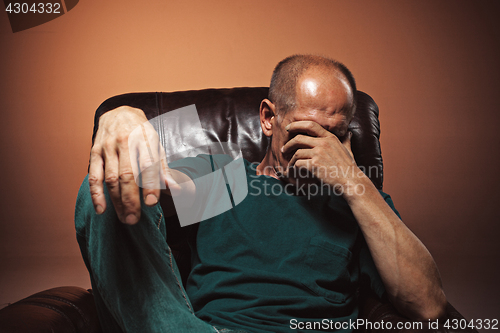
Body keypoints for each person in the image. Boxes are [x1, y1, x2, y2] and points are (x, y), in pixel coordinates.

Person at [76, 55, 447, 333]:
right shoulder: (223, 174)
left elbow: (429, 307)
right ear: (269, 119)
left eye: (337, 136)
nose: (321, 150)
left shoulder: (356, 201)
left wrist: (353, 182)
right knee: (109, 184)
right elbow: (120, 196)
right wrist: (121, 116)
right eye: (307, 133)